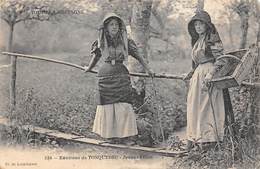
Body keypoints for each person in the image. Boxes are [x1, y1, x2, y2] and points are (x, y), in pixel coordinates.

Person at [84, 13, 153, 145]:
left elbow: (138, 56)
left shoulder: (126, 42)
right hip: (105, 76)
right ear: (106, 27)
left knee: (124, 105)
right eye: (111, 24)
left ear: (119, 26)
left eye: (116, 24)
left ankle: (126, 137)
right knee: (108, 106)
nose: (114, 27)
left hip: (121, 75)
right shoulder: (101, 41)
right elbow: (96, 57)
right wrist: (89, 68)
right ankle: (110, 136)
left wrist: (148, 70)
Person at [183, 10, 233, 151]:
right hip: (198, 76)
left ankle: (209, 140)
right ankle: (195, 138)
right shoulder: (197, 41)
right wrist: (191, 73)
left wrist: (211, 74)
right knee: (194, 107)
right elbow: (197, 62)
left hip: (209, 75)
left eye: (201, 24)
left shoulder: (212, 39)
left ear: (207, 25)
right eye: (196, 25)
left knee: (207, 108)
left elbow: (221, 59)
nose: (198, 27)